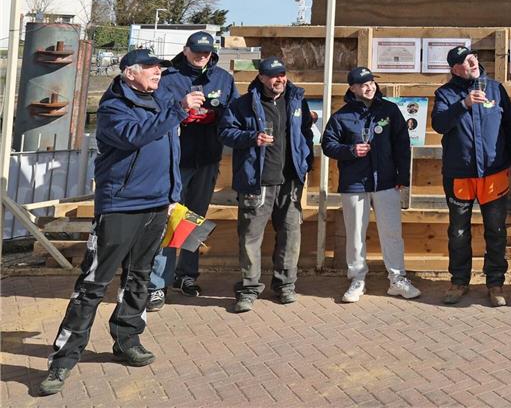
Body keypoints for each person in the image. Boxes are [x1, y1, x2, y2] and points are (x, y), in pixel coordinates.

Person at [40, 49, 204, 396]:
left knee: (139, 277)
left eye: (159, 68)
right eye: (150, 68)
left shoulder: (161, 100)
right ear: (130, 73)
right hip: (121, 206)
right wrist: (178, 110)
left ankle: (127, 339)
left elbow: (170, 151)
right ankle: (63, 359)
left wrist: (172, 194)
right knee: (93, 284)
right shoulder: (114, 106)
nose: (157, 72)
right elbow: (134, 136)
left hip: (157, 205)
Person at [147, 31, 238, 311]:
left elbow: (233, 114)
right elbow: (153, 113)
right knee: (167, 218)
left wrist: (217, 116)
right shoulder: (168, 78)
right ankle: (157, 284)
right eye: (197, 51)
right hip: (173, 160)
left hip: (207, 158)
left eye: (206, 52)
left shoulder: (223, 78)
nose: (202, 56)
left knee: (194, 218)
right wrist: (181, 107)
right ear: (186, 50)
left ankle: (186, 276)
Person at [218, 56, 314, 313]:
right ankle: (249, 289)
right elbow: (225, 132)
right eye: (272, 76)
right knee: (250, 237)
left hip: (290, 180)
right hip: (257, 181)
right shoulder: (243, 104)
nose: (278, 79)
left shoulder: (296, 100)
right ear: (261, 77)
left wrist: (305, 162)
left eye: (281, 74)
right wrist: (252, 137)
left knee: (291, 234)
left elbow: (306, 132)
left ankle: (285, 285)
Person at [321, 66, 420, 303]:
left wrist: (402, 177)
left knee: (392, 232)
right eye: (363, 85)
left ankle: (397, 279)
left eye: (372, 83)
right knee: (355, 233)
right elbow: (328, 145)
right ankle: (357, 279)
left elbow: (402, 144)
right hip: (354, 183)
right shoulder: (341, 116)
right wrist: (350, 150)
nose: (369, 87)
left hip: (386, 181)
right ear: (353, 88)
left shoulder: (389, 110)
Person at [431, 46, 511, 307]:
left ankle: (495, 283)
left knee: (496, 230)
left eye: (472, 58)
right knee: (459, 232)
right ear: (455, 69)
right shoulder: (445, 93)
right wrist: (464, 104)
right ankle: (459, 282)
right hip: (460, 174)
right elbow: (439, 124)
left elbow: (509, 127)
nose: (471, 63)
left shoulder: (496, 89)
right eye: (464, 62)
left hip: (494, 172)